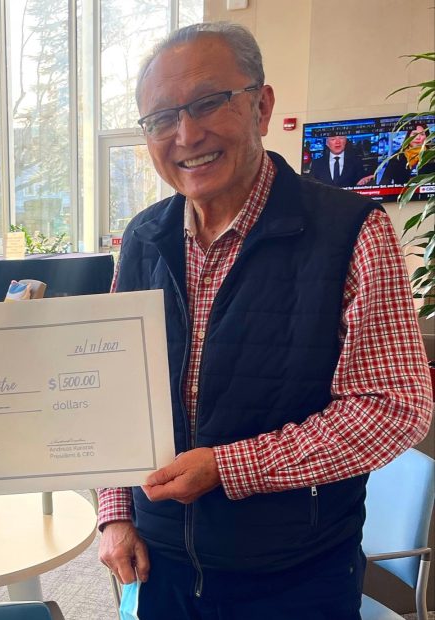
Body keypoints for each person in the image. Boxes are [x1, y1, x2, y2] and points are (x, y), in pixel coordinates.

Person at [98, 23, 432, 619]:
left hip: (293, 577)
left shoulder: (352, 232)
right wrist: (116, 513)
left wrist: (227, 467)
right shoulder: (143, 237)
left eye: (208, 102)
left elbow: (393, 407)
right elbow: (115, 395)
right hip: (163, 567)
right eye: (162, 118)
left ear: (262, 106)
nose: (186, 134)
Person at [308, 134, 373, 186]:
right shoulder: (317, 163)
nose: (337, 142)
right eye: (333, 139)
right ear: (327, 143)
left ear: (346, 141)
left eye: (341, 138)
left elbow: (362, 183)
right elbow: (311, 187)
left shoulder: (356, 162)